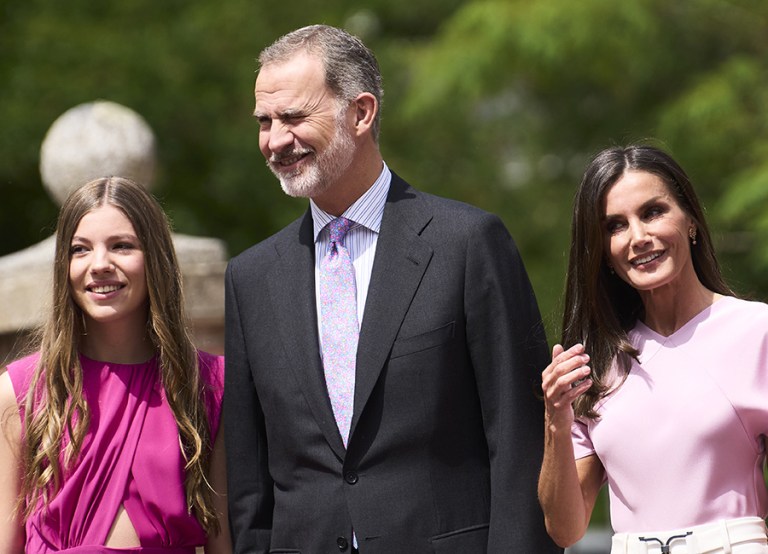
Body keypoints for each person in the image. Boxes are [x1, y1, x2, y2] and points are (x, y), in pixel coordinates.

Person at [224, 24, 560, 554]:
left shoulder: (468, 244)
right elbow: (250, 484)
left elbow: (520, 439)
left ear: (361, 113)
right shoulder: (250, 277)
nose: (274, 140)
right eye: (264, 122)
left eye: (293, 117)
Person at [539, 144, 768, 553]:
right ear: (603, 253)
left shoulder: (755, 331)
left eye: (653, 212)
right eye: (615, 226)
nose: (638, 237)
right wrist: (555, 417)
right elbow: (565, 530)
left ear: (691, 220)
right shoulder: (594, 364)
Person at [0, 176, 232, 553]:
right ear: (65, 265)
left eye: (122, 246)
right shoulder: (19, 393)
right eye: (81, 249)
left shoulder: (210, 385)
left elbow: (224, 542)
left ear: (154, 258)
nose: (100, 264)